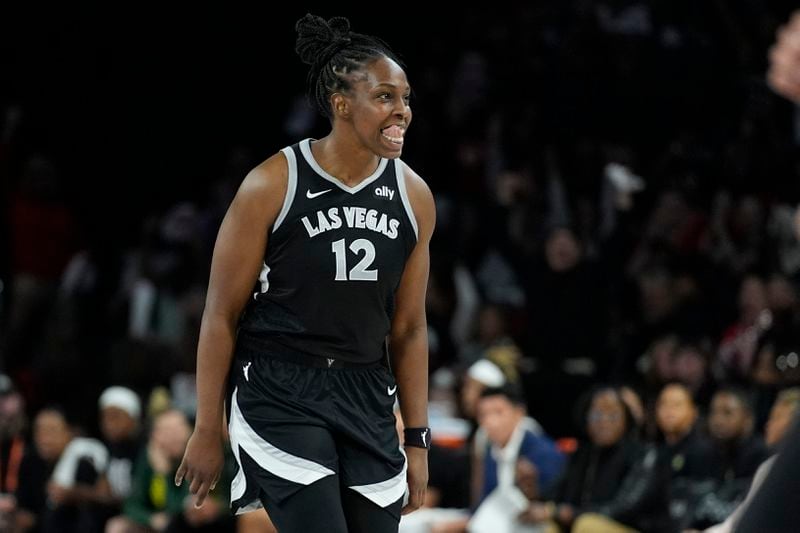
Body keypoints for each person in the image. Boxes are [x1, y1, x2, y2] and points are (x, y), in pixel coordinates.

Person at [174, 13, 435, 533]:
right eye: (385, 97)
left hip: (366, 390)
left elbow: (407, 327)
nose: (401, 111)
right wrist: (208, 426)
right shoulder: (271, 183)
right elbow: (220, 314)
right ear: (341, 104)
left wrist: (417, 439)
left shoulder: (414, 196)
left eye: (405, 98)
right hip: (279, 386)